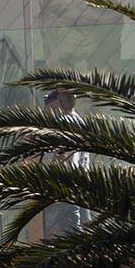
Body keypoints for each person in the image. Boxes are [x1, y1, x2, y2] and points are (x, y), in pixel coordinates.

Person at [41, 89, 91, 237]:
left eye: (48, 106)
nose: (46, 111)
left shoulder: (64, 123)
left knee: (66, 230)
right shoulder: (79, 120)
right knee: (81, 226)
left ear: (57, 104)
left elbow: (62, 155)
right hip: (81, 183)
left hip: (65, 185)